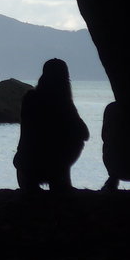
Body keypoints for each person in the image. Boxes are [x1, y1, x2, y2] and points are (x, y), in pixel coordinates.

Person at [13, 58, 90, 192]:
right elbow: (84, 134)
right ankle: (60, 180)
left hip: (25, 169)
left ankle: (50, 180)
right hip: (51, 169)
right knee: (77, 141)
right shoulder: (64, 104)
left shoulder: (30, 98)